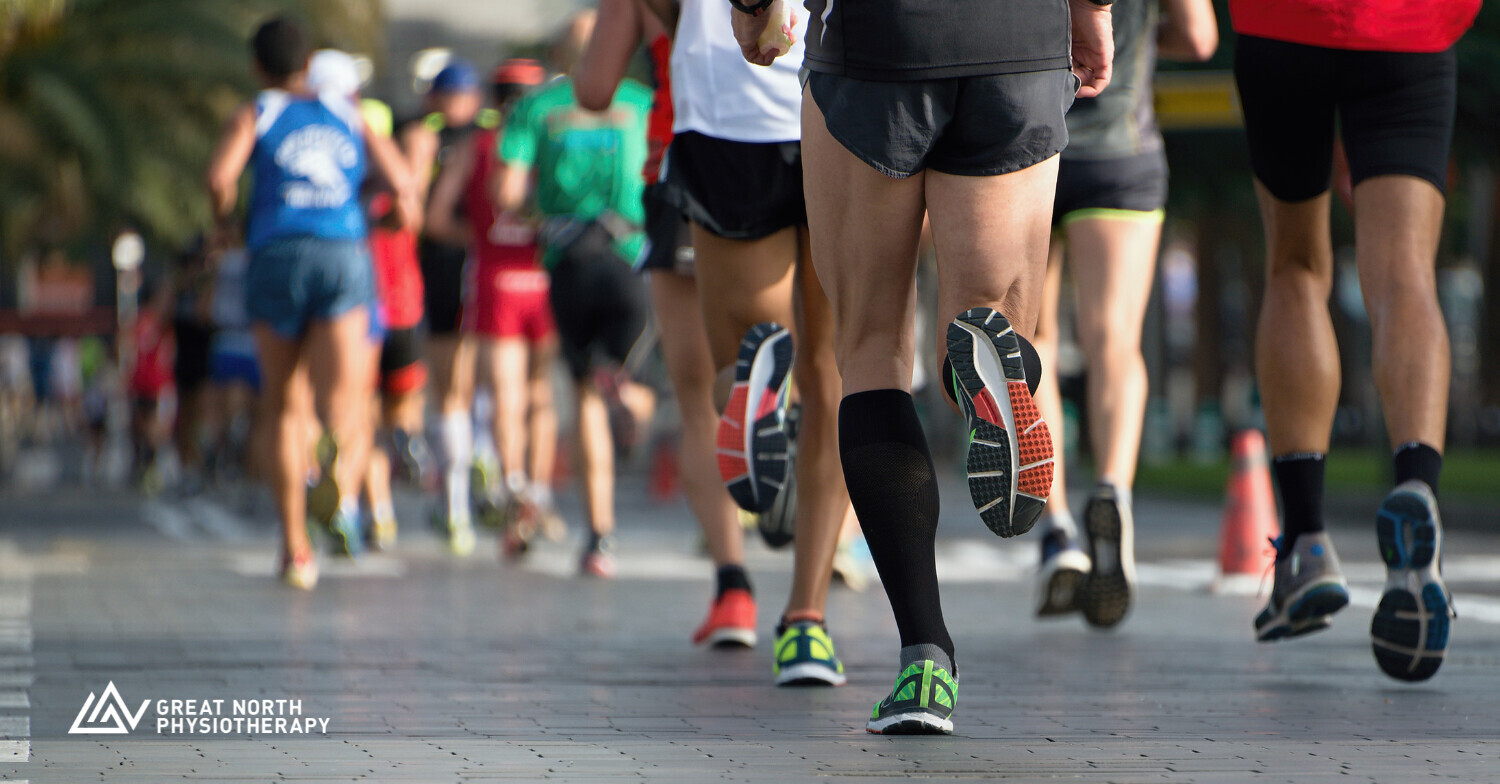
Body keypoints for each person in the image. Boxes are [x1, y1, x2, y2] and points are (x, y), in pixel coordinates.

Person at [732, 0, 1113, 733]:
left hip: (876, 46)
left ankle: (926, 659)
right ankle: (990, 385)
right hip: (1020, 43)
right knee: (987, 321)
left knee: (871, 348)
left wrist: (752, 9)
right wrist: (1092, 10)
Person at [1230, 0, 1476, 681]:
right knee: (1405, 275)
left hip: (1283, 25)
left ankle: (1306, 543)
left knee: (1295, 267)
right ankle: (1417, 488)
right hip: (1410, 24)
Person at [638, 0, 855, 687]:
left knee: (740, 354)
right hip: (846, 92)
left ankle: (755, 390)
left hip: (723, 103)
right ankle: (807, 623)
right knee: (835, 371)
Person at [206, 16, 417, 589]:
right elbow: (402, 185)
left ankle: (295, 548)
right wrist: (384, 220)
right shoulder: (347, 113)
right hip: (341, 252)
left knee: (283, 403)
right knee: (342, 402)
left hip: (276, 253)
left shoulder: (257, 112)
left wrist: (225, 224)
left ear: (257, 66)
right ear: (308, 63)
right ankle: (336, 477)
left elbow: (219, 178)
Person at [575, 0, 760, 648]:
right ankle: (808, 613)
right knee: (821, 370)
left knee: (701, 399)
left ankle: (733, 589)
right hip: (795, 151)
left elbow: (594, 88)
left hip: (685, 159)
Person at [1030, 0, 1217, 627]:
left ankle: (1057, 531)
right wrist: (1141, 38)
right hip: (1121, 148)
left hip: (1031, 144)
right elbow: (1200, 37)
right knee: (1113, 338)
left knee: (1035, 339)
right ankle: (1112, 485)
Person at [494, 12, 655, 577]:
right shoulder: (642, 102)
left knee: (583, 393)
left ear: (562, 56)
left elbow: (505, 191)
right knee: (640, 376)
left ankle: (598, 539)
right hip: (630, 256)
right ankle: (631, 398)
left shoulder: (537, 107)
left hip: (570, 263)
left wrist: (540, 215)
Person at [425, 58, 560, 556]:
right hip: (545, 278)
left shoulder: (475, 147)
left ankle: (515, 485)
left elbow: (435, 219)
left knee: (504, 396)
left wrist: (482, 237)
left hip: (495, 280)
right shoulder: (551, 142)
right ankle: (538, 495)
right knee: (540, 393)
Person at [402, 58, 487, 553]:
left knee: (448, 390)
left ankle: (455, 503)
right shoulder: (489, 137)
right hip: (483, 268)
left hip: (442, 265)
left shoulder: (424, 137)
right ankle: (484, 473)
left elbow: (423, 217)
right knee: (483, 386)